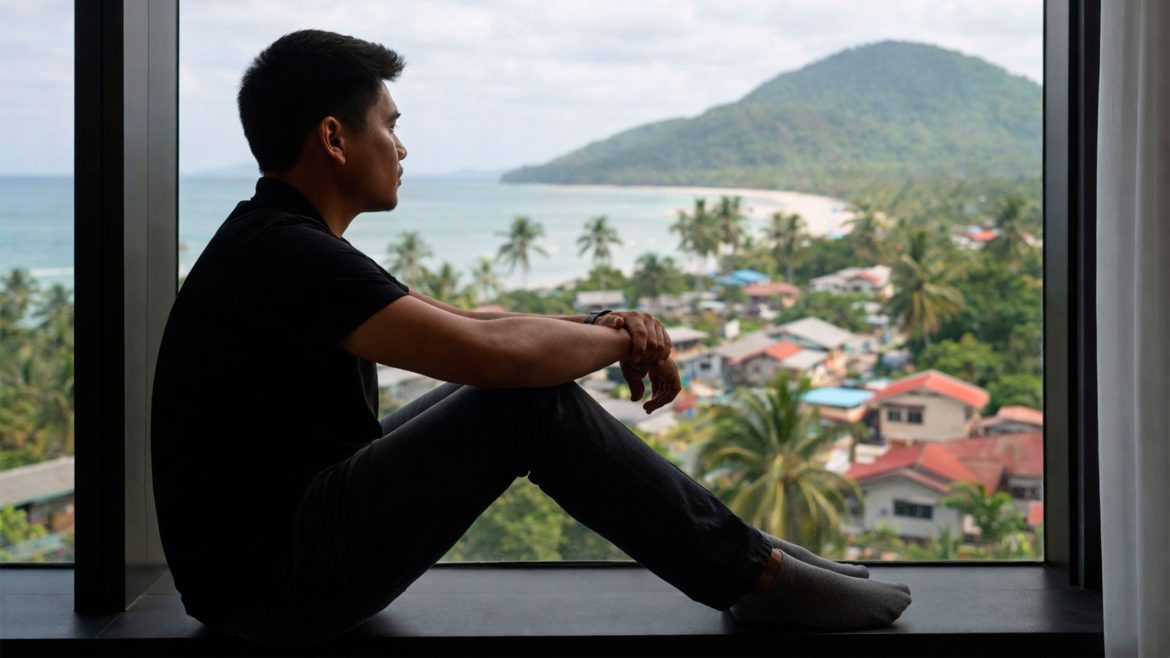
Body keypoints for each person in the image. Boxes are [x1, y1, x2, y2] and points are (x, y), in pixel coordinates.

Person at [150, 29, 911, 649]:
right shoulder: (288, 251)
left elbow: (470, 323)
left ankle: (761, 563)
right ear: (333, 138)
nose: (403, 148)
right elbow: (499, 356)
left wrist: (605, 327)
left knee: (502, 391)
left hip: (261, 574)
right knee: (521, 407)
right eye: (390, 125)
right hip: (279, 590)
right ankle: (759, 580)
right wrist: (623, 347)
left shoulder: (275, 239)